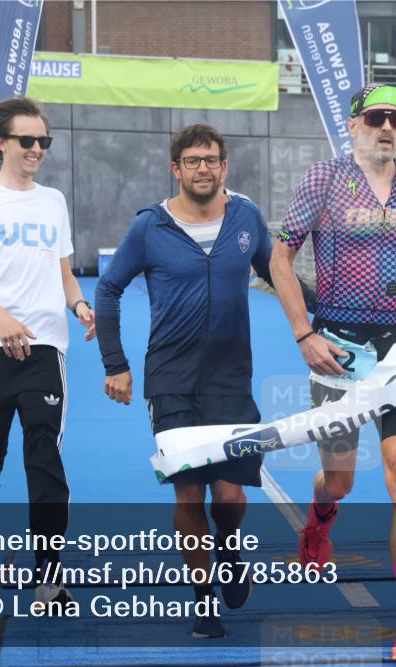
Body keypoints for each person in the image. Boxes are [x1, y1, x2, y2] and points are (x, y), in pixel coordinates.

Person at [269, 84, 396, 661]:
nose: (386, 128)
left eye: (395, 119)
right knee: (341, 479)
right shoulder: (321, 180)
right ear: (353, 124)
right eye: (375, 118)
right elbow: (281, 255)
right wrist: (305, 333)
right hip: (338, 349)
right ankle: (320, 520)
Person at [97, 124, 273, 639]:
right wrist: (115, 363)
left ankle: (229, 547)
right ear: (175, 168)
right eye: (193, 160)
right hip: (170, 381)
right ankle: (203, 598)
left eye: (212, 160)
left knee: (231, 496)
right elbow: (108, 290)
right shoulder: (150, 227)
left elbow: (279, 276)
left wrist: (319, 323)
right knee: (190, 497)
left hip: (232, 379)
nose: (203, 168)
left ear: (225, 166)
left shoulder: (247, 217)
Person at [0, 96, 95, 610]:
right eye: (27, 141)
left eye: (43, 142)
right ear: (2, 143)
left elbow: (64, 269)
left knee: (44, 460)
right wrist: (2, 317)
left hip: (44, 350)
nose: (36, 150)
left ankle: (49, 572)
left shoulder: (53, 200)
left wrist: (78, 303)